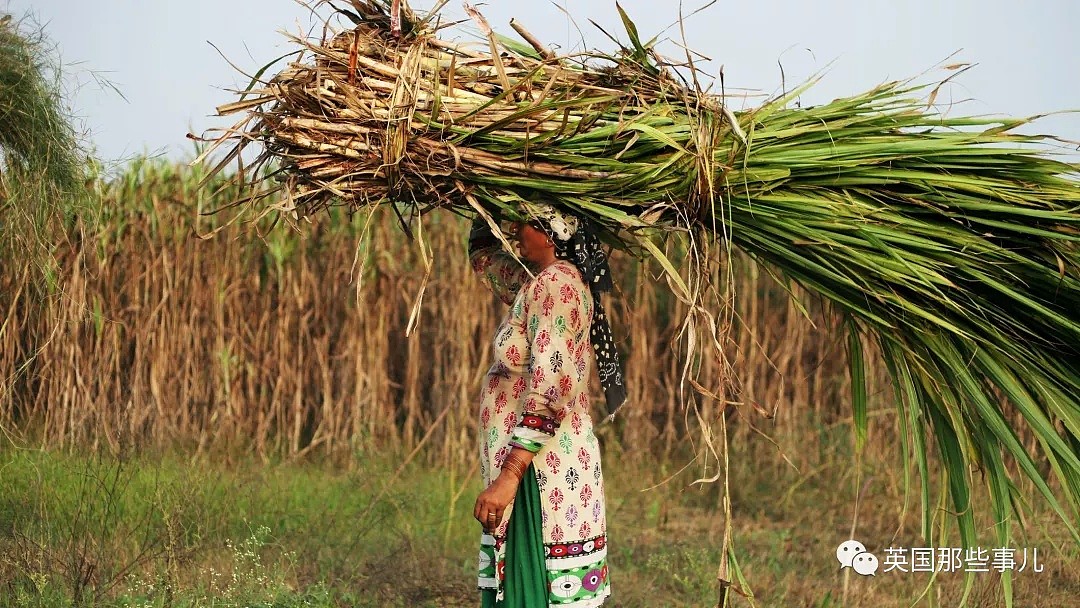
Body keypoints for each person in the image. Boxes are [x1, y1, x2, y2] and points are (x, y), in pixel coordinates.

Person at [469, 202, 627, 607]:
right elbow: (486, 259)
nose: (517, 230)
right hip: (527, 473)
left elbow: (552, 390)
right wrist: (480, 194)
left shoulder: (558, 286)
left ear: (552, 231)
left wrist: (508, 478)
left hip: (538, 474)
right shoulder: (536, 283)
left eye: (524, 222)